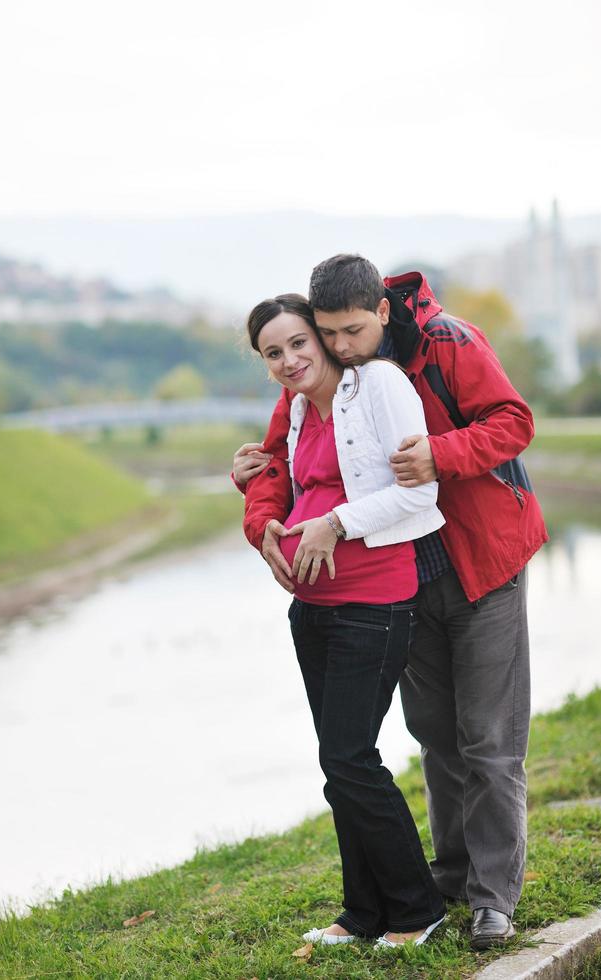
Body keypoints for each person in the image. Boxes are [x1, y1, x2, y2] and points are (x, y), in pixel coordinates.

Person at [234, 255, 548, 950]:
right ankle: (452, 875)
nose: (338, 349)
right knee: (434, 735)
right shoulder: (316, 370)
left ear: (380, 311)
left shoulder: (448, 343)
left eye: (349, 332)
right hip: (404, 578)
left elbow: (512, 421)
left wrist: (441, 453)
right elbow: (274, 467)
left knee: (488, 742)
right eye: (327, 335)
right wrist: (262, 522)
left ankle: (494, 900)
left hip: (481, 561)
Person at [245, 292, 447, 948]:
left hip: (375, 600)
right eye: (272, 353)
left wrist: (332, 524)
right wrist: (267, 517)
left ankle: (416, 909)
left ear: (324, 338)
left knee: (350, 758)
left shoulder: (377, 386)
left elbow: (417, 489)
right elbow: (290, 483)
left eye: (298, 343)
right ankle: (362, 914)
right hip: (313, 608)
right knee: (339, 767)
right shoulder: (300, 409)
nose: (288, 359)